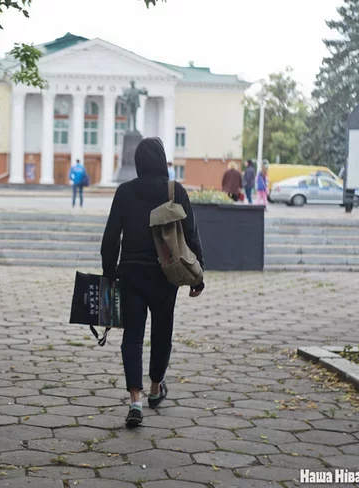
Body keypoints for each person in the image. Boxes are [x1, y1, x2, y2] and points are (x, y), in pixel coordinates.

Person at [100, 137, 205, 428]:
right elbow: (191, 234)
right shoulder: (175, 191)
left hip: (131, 274)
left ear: (137, 163)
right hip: (165, 275)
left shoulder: (124, 192)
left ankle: (135, 401)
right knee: (162, 332)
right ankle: (156, 388)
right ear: (162, 161)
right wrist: (198, 275)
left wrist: (109, 274)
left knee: (132, 336)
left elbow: (110, 239)